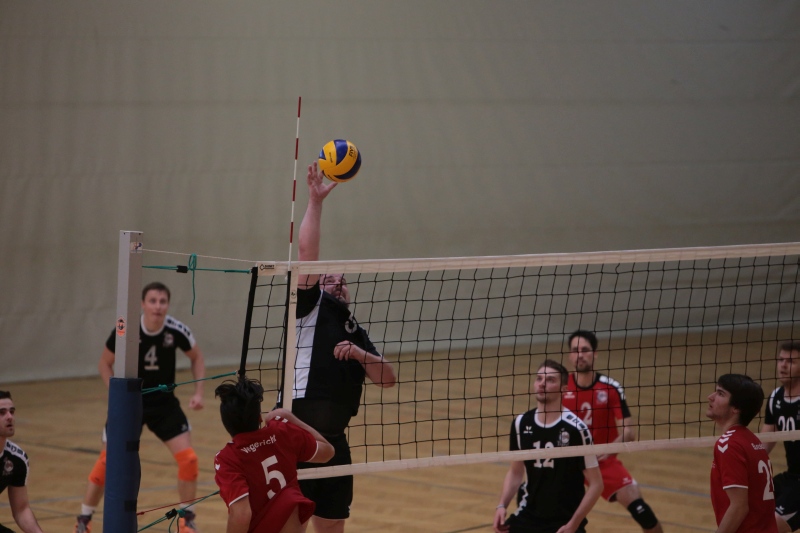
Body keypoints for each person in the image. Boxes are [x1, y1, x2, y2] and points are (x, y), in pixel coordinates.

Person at [288, 161, 397, 533]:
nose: (337, 283)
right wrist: (315, 202)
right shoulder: (309, 307)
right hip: (299, 439)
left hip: (335, 444)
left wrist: (359, 353)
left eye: (343, 280)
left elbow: (387, 379)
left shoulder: (355, 330)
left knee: (332, 525)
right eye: (329, 278)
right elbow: (307, 254)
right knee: (292, 524)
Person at [75, 282, 206, 533]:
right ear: (142, 304)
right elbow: (104, 363)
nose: (158, 306)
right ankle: (84, 519)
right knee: (106, 462)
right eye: (153, 301)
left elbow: (197, 357)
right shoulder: (127, 329)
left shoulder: (177, 330)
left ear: (168, 304)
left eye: (162, 301)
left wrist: (199, 392)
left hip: (164, 405)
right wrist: (117, 397)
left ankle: (186, 518)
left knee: (189, 460)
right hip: (130, 404)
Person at [560, 330, 664, 533]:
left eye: (585, 350)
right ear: (570, 355)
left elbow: (629, 432)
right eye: (575, 350)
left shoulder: (610, 387)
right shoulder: (562, 387)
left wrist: (607, 450)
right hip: (568, 463)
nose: (580, 355)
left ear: (595, 353)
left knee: (643, 513)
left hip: (602, 462)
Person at [214, 376, 335, 533]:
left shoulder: (227, 458)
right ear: (259, 417)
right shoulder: (281, 432)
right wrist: (290, 418)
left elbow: (242, 515)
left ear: (226, 423)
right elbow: (328, 452)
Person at [493, 360, 603, 533]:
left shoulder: (576, 429)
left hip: (565, 520)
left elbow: (597, 485)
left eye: (550, 380)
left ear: (564, 389)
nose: (542, 383)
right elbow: (515, 472)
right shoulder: (521, 423)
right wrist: (501, 505)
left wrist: (573, 525)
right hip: (528, 515)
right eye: (539, 378)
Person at [707, 373, 778, 533]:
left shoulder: (728, 444)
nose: (710, 397)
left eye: (720, 393)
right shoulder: (753, 441)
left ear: (736, 408)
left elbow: (739, 507)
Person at [762, 341, 800, 533]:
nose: (783, 365)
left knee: (771, 525)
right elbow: (764, 444)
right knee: (751, 507)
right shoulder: (775, 397)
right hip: (792, 476)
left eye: (791, 361)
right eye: (781, 360)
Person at [0, 391, 44, 533]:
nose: (9, 417)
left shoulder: (16, 459)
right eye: (2, 413)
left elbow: (21, 509)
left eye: (12, 412)